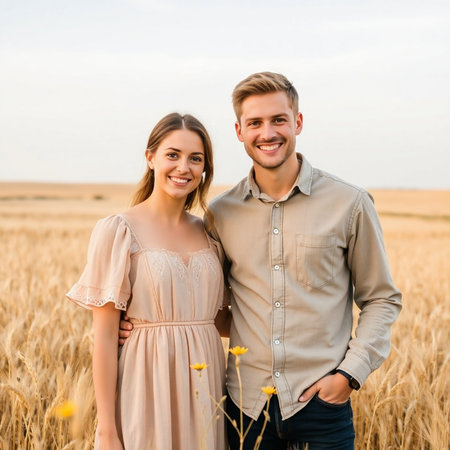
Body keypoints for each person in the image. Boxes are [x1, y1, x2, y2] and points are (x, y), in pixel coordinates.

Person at [120, 72, 402, 449]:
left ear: (297, 122)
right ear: (239, 131)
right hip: (245, 407)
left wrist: (349, 375)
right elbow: (209, 302)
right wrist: (140, 323)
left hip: (320, 406)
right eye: (255, 122)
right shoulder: (222, 213)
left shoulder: (349, 204)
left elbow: (381, 298)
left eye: (278, 120)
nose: (267, 133)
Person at [67, 112, 230, 450]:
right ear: (151, 157)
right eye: (173, 154)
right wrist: (106, 429)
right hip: (147, 380)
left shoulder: (210, 234)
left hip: (206, 383)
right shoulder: (119, 230)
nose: (183, 167)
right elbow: (105, 336)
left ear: (204, 170)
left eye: (195, 159)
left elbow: (218, 319)